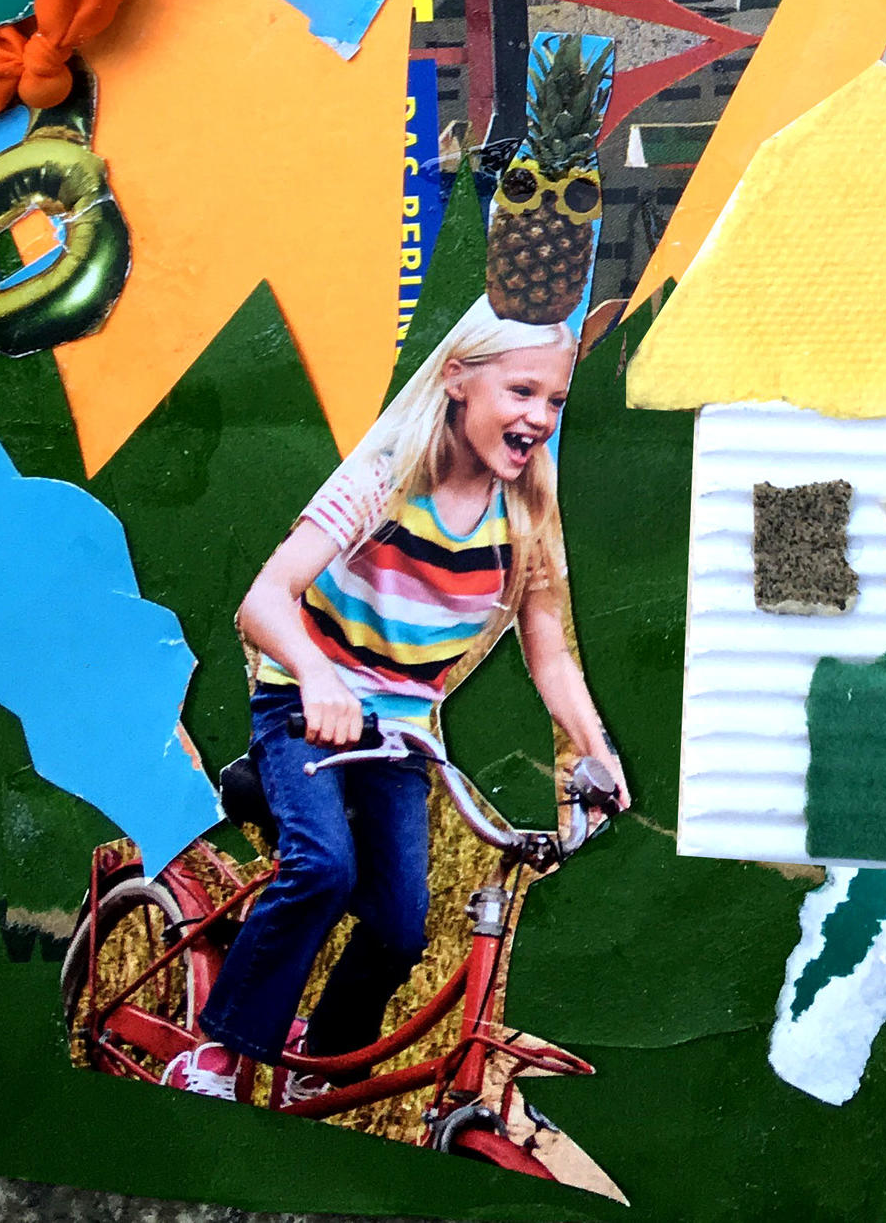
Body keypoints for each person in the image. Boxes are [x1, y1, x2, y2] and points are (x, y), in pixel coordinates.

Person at [161, 299, 630, 1101]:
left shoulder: (525, 515)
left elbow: (550, 653)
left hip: (403, 737)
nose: (540, 416)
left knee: (400, 923)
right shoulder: (384, 477)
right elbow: (265, 598)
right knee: (323, 868)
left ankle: (323, 1064)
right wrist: (318, 675)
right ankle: (219, 1048)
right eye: (521, 391)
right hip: (305, 707)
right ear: (457, 379)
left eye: (554, 399)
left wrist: (597, 750)